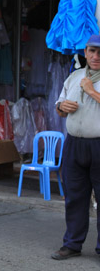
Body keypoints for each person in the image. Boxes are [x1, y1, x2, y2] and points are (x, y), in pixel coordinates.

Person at [52, 34, 100, 260]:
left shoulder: (87, 82)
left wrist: (92, 91)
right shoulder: (74, 76)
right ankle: (72, 243)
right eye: (92, 51)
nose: (95, 56)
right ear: (86, 52)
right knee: (74, 196)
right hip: (74, 144)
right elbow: (59, 108)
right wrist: (62, 106)